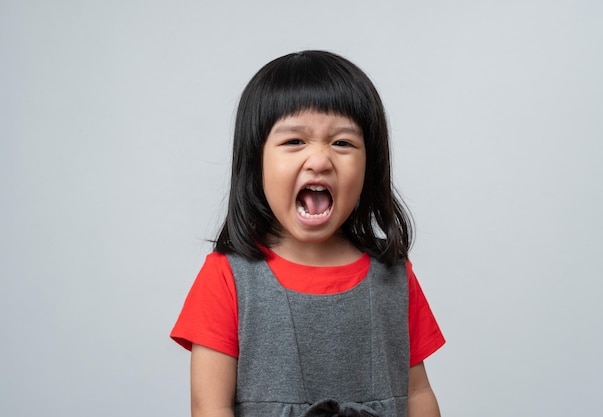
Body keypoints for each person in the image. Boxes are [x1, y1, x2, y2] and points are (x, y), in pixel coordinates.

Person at [171, 50, 445, 417]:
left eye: (343, 143)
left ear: (371, 163)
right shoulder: (226, 277)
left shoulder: (393, 275)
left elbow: (418, 394)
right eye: (294, 142)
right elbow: (209, 407)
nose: (319, 160)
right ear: (256, 161)